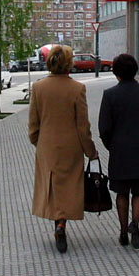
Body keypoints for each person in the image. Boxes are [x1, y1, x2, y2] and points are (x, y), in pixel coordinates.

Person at [28, 44, 98, 253]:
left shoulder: (38, 88)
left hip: (47, 145)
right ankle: (61, 223)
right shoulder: (77, 88)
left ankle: (58, 223)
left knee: (51, 185)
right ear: (69, 63)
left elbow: (34, 122)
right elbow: (82, 125)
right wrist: (90, 151)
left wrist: (37, 141)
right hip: (71, 146)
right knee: (68, 186)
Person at [98, 53, 139, 249]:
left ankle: (123, 230)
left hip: (120, 151)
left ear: (116, 73)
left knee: (122, 192)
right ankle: (136, 224)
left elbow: (104, 128)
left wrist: (112, 146)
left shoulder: (109, 95)